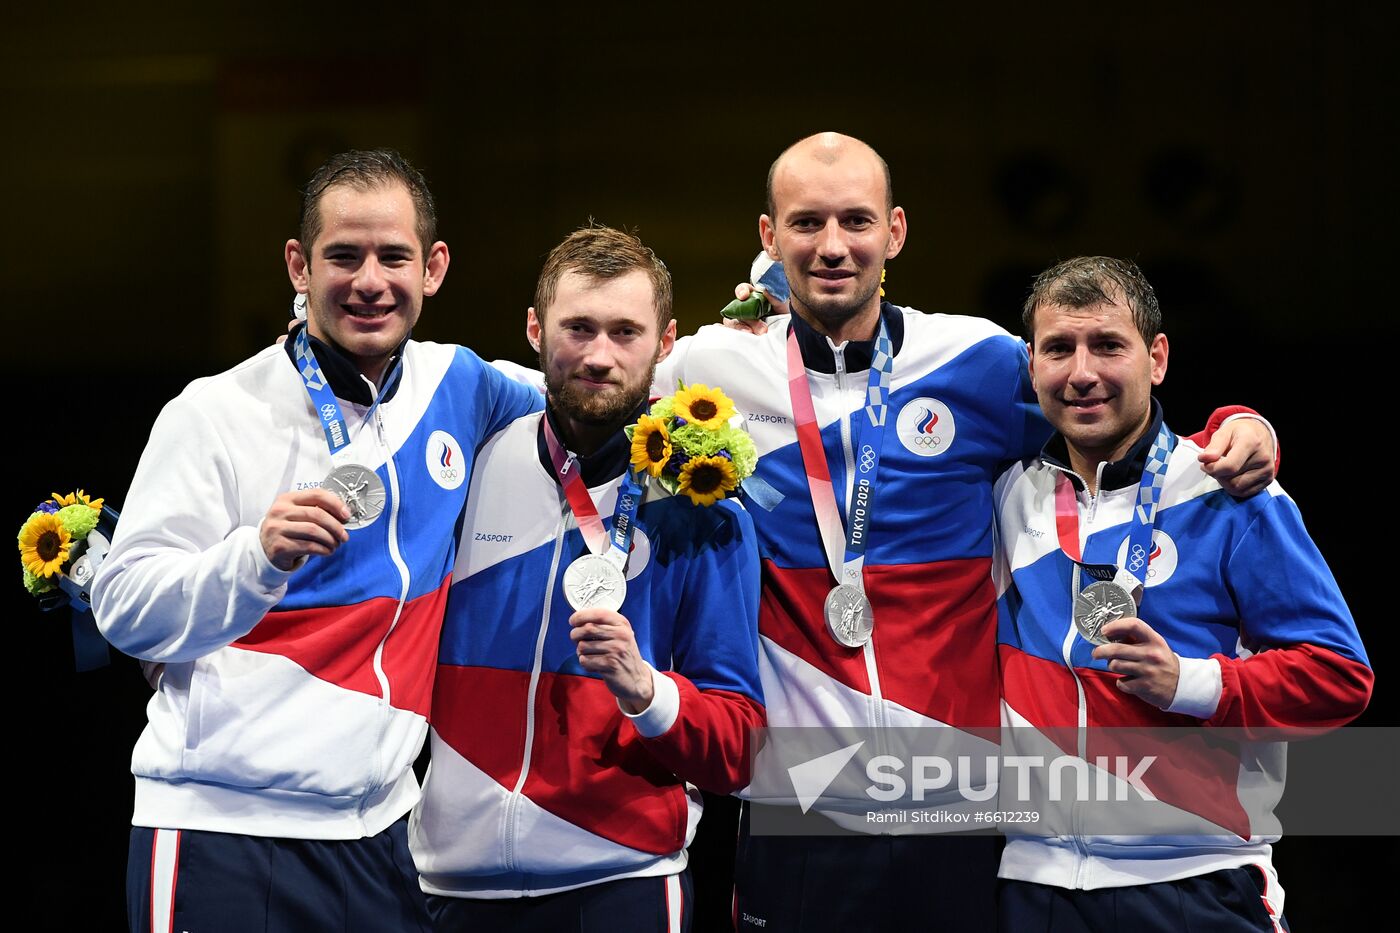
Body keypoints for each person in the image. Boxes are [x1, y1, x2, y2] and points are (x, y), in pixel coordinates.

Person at [647, 132, 1280, 931]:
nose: (834, 245)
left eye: (856, 220)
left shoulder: (977, 358)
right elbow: (585, 403)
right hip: (799, 808)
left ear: (896, 231)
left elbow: (1111, 412)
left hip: (962, 809)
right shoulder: (706, 373)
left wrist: (1241, 424)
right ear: (769, 237)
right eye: (807, 223)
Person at [91, 149, 543, 933]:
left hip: (383, 839)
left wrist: (762, 327)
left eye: (394, 255)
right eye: (344, 254)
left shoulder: (461, 385)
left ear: (433, 267)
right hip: (222, 830)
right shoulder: (214, 411)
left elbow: (597, 380)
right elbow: (124, 608)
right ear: (299, 264)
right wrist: (254, 556)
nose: (371, 279)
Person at [992, 256, 1371, 931]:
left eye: (1108, 344)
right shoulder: (1004, 494)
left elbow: (1340, 676)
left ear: (1157, 358)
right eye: (1059, 348)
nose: (1083, 372)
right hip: (1034, 885)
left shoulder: (1230, 492)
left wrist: (1189, 683)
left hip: (1195, 882)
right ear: (1030, 364)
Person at [409, 224, 765, 932]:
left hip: (622, 883)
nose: (599, 355)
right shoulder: (466, 463)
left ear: (665, 344)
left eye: (624, 332)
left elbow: (738, 746)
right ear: (536, 330)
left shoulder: (704, 510)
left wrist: (646, 689)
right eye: (578, 328)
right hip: (451, 886)